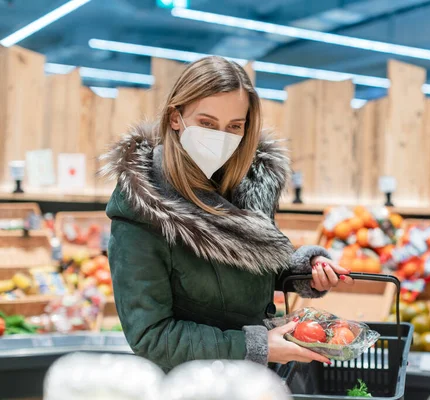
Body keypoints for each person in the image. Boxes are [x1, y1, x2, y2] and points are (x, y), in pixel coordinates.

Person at [102, 56, 353, 372]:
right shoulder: (142, 211)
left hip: (253, 381)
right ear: (175, 117)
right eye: (206, 123)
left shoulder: (246, 184)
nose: (221, 137)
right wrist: (255, 346)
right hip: (194, 387)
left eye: (234, 126)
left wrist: (306, 269)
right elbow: (151, 336)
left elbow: (247, 264)